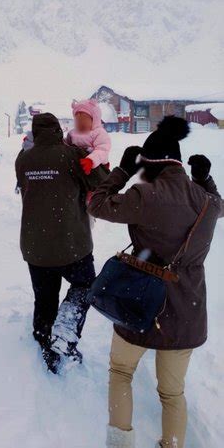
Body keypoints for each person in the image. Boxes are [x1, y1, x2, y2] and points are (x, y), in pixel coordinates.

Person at [88, 116, 224, 448]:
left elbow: (97, 204)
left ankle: (120, 444)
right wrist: (204, 180)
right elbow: (220, 206)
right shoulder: (206, 200)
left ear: (148, 164)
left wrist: (120, 171)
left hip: (138, 300)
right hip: (186, 310)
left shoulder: (145, 194)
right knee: (172, 392)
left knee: (121, 373)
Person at [15, 112, 105, 373]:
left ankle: (45, 340)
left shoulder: (23, 159)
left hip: (35, 247)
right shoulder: (71, 155)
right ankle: (65, 331)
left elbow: (25, 183)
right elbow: (99, 181)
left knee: (45, 298)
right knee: (86, 285)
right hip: (71, 244)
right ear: (58, 130)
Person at [67, 99, 111, 175]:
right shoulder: (72, 134)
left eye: (84, 119)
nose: (81, 123)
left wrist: (91, 160)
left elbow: (102, 150)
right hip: (77, 167)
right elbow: (65, 146)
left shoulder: (99, 133)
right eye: (78, 120)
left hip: (98, 167)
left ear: (94, 119)